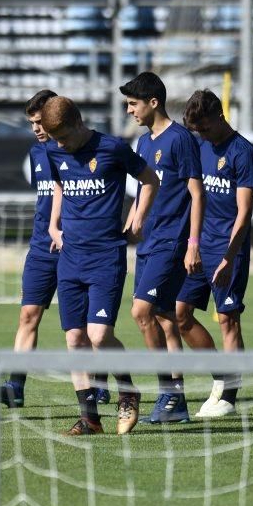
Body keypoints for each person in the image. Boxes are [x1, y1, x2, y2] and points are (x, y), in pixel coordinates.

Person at [42, 96, 160, 435]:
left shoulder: (113, 148)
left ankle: (127, 389)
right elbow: (60, 185)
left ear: (78, 123)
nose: (61, 144)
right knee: (75, 339)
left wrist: (138, 214)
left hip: (106, 255)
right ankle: (90, 418)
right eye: (56, 140)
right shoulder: (54, 152)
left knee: (98, 335)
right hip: (70, 257)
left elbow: (150, 180)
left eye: (64, 137)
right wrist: (54, 224)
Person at [0, 90, 109, 409]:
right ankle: (15, 385)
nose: (35, 127)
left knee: (86, 326)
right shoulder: (37, 153)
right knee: (28, 314)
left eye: (39, 121)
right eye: (31, 122)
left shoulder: (81, 152)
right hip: (41, 248)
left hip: (77, 248)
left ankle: (96, 383)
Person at [119, 72, 204, 424]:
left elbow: (197, 195)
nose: (129, 110)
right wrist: (135, 217)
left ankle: (166, 390)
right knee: (166, 319)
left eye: (133, 103)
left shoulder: (181, 140)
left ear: (153, 102)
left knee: (141, 312)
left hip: (172, 241)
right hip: (150, 242)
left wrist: (193, 244)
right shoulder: (143, 143)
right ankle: (177, 401)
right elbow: (145, 189)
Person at [175, 90, 253, 418]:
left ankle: (230, 395)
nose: (202, 135)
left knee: (228, 319)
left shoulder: (243, 153)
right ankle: (220, 377)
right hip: (199, 247)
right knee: (181, 314)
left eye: (205, 128)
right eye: (196, 131)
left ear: (219, 116)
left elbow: (244, 212)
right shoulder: (199, 145)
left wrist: (229, 256)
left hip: (229, 250)